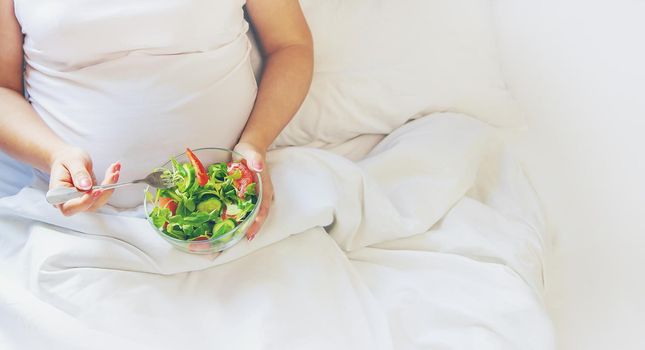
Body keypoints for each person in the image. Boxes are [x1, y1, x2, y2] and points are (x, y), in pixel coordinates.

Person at [0, 0, 313, 239]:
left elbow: (290, 44)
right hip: (79, 229)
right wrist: (55, 156)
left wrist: (256, 141)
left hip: (235, 218)